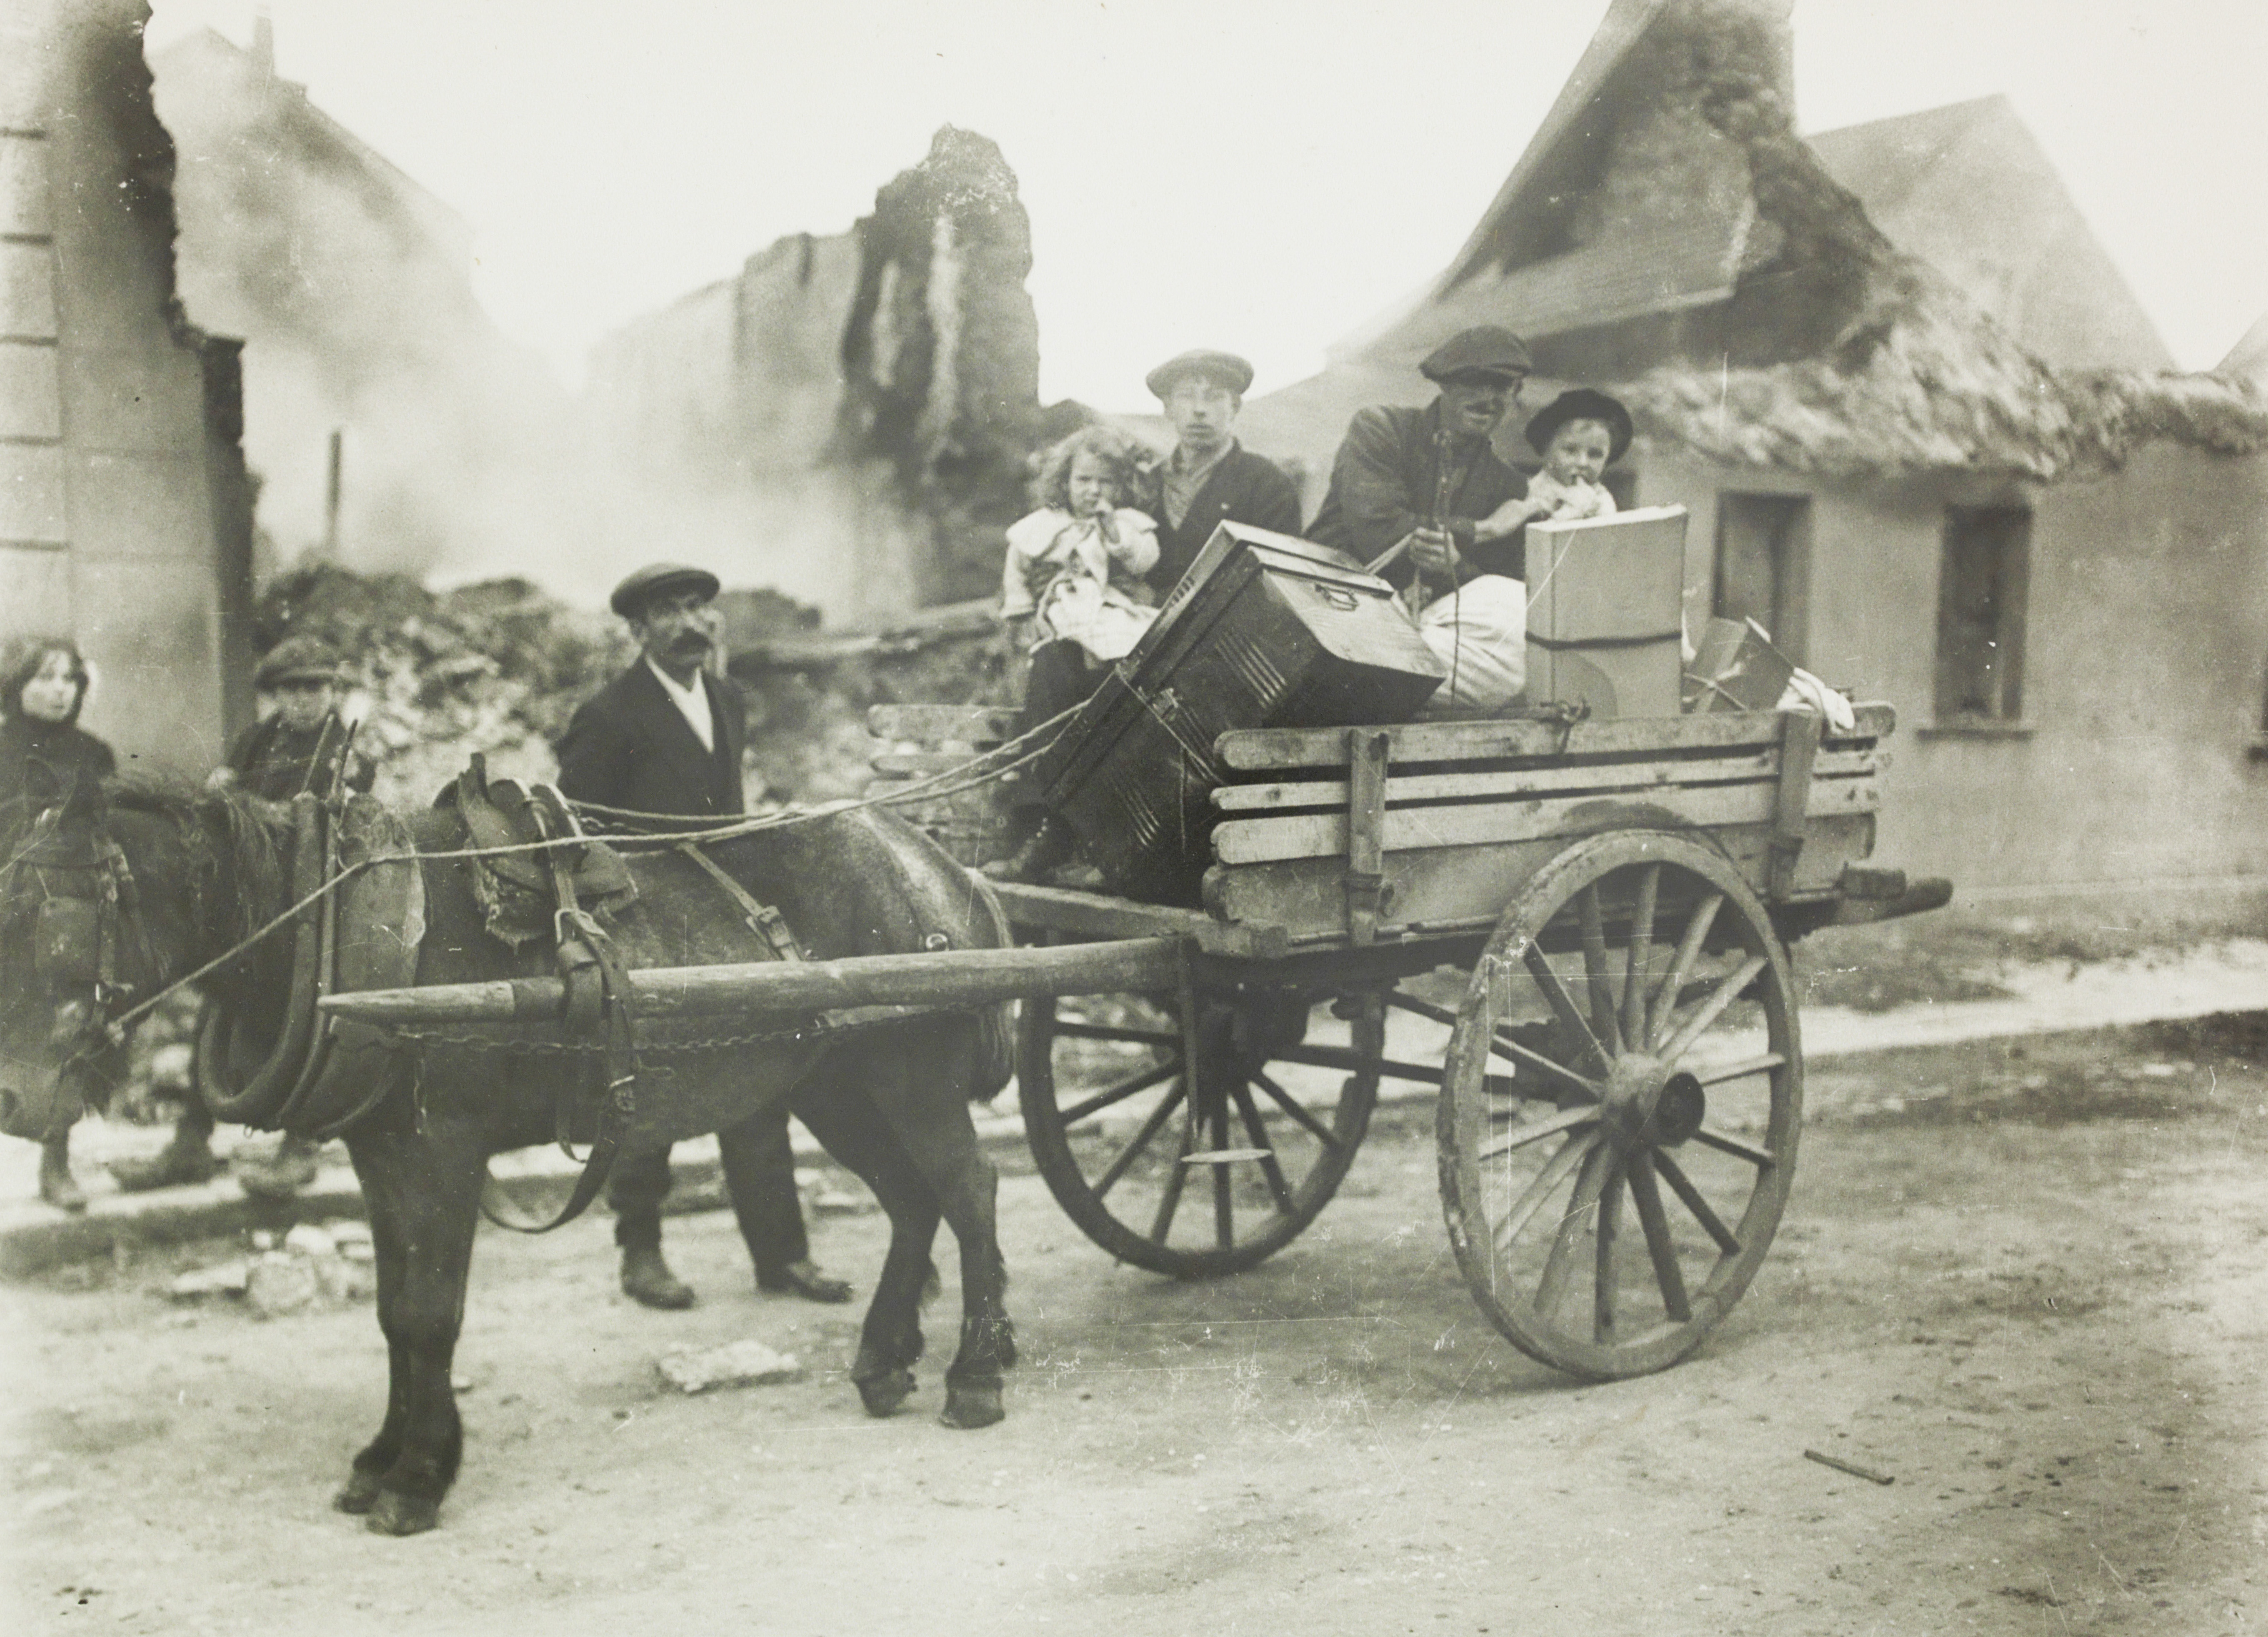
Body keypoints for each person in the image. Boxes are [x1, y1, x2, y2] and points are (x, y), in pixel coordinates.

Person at [554, 562, 852, 1311]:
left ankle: (781, 1255)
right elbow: (578, 830)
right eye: (670, 611)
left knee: (755, 1078)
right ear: (638, 629)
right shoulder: (609, 714)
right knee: (646, 1086)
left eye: (699, 608)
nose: (691, 622)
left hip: (723, 914)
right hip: (644, 923)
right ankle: (641, 1253)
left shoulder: (726, 698)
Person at [111, 637, 372, 1197]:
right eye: (291, 689)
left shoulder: (346, 751)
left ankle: (301, 1145)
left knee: (305, 1012)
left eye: (315, 687)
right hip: (253, 898)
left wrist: (269, 810)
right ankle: (189, 1143)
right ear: (275, 696)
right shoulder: (259, 739)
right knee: (219, 997)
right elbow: (226, 789)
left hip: (312, 904)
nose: (303, 700)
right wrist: (224, 791)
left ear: (332, 692)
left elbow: (344, 823)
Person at [1307, 324, 1559, 714]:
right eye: (1474, 383)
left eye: (1503, 387)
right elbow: (1380, 529)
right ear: (1446, 384)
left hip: (1423, 632)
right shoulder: (1382, 428)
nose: (1487, 399)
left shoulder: (1507, 484)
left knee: (1518, 628)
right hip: (1330, 601)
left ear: (1515, 395)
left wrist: (1456, 566)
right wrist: (1481, 529)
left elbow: (1495, 587)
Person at [984, 425, 1160, 882]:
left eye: (1105, 481)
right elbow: (1017, 576)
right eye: (1084, 480)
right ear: (1065, 481)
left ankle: (1101, 842)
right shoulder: (1039, 528)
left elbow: (1143, 559)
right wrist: (1023, 616)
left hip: (1112, 629)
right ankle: (1046, 831)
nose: (1094, 490)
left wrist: (1111, 529)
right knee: (1047, 692)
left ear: (1121, 487)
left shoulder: (1127, 525)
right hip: (1058, 631)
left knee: (1115, 708)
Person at [0, 639, 117, 1212]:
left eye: (69, 679)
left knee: (68, 1028)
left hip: (62, 913)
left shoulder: (94, 755)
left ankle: (57, 1160)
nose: (58, 690)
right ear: (18, 683)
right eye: (44, 677)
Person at [1142, 349, 1304, 597]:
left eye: (1214, 397)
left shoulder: (1269, 485)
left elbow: (1276, 586)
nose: (1199, 410)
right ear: (1168, 408)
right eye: (1186, 397)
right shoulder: (1145, 482)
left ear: (1235, 407)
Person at [1522, 387, 1632, 522]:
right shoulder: (1527, 492)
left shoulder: (1601, 501)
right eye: (1571, 451)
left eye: (1595, 455)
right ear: (1547, 449)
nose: (1582, 463)